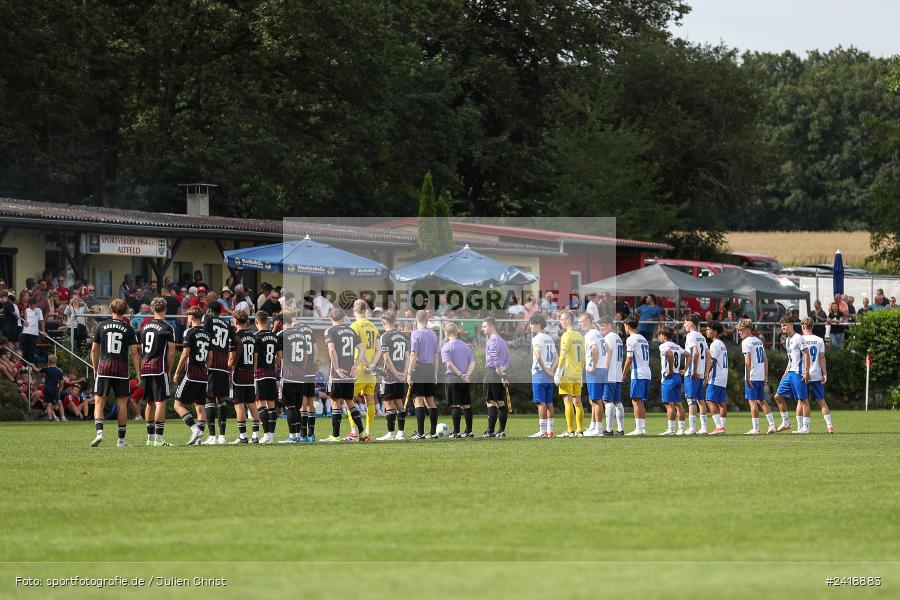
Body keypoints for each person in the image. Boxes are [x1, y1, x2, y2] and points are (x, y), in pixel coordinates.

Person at [89, 299, 141, 447]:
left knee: (99, 402)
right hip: (121, 370)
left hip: (104, 368)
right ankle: (121, 440)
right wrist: (137, 373)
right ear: (124, 311)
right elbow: (135, 353)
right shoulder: (128, 328)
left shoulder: (101, 326)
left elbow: (94, 350)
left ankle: (99, 433)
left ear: (111, 310)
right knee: (122, 405)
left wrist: (95, 367)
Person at [322, 309, 367, 442]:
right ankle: (362, 432)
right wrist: (355, 365)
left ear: (331, 317)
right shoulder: (351, 331)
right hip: (350, 373)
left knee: (335, 402)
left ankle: (335, 436)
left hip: (338, 373)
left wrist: (336, 367)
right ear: (343, 318)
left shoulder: (330, 331)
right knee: (350, 402)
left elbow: (331, 349)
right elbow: (362, 349)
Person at [139, 298, 177, 446]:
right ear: (165, 309)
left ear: (152, 309)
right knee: (160, 401)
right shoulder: (168, 327)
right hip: (158, 367)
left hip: (145, 365)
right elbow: (172, 352)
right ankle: (159, 439)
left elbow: (142, 348)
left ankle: (149, 438)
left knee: (149, 402)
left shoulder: (145, 326)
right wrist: (168, 369)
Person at [171, 307, 210, 446]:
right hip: (203, 375)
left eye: (188, 316)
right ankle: (198, 440)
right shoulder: (206, 333)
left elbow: (185, 354)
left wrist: (176, 372)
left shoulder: (190, 332)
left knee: (177, 404)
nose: (187, 318)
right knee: (200, 407)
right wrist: (206, 369)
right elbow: (209, 356)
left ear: (193, 317)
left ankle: (195, 430)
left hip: (192, 374)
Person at [278, 313, 318, 443]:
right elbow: (307, 355)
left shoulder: (282, 334)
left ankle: (293, 437)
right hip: (301, 375)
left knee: (290, 406)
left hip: (289, 374)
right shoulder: (302, 336)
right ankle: (302, 436)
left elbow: (278, 354)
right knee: (298, 406)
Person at [200, 301, 233, 445]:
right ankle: (222, 436)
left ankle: (212, 436)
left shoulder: (207, 318)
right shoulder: (226, 323)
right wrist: (232, 360)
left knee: (209, 398)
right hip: (223, 364)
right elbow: (238, 341)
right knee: (222, 400)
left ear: (208, 310)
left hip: (211, 363)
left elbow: (204, 337)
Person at [737, 319, 776, 435]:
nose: (739, 333)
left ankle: (756, 428)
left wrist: (747, 377)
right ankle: (772, 425)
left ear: (746, 329)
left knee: (752, 402)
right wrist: (765, 375)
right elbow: (765, 359)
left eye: (740, 330)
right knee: (762, 401)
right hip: (760, 375)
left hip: (752, 375)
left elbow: (747, 361)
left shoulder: (746, 342)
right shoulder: (758, 341)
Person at [228, 310, 261, 443]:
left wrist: (230, 367)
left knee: (239, 405)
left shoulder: (235, 337)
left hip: (239, 372)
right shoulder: (253, 337)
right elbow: (255, 357)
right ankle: (255, 436)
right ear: (247, 321)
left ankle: (242, 437)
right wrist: (252, 371)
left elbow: (231, 359)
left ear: (235, 321)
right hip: (249, 374)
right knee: (252, 404)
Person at [375, 310, 409, 441]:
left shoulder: (385, 337)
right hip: (401, 374)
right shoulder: (403, 336)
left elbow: (387, 359)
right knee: (399, 403)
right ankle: (401, 432)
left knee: (388, 404)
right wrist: (404, 373)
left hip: (389, 375)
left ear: (384, 322)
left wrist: (394, 373)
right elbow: (407, 357)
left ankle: (391, 433)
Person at [772, 315, 810, 433]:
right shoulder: (788, 340)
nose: (783, 327)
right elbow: (791, 358)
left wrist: (806, 372)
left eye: (785, 325)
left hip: (798, 373)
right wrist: (785, 372)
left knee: (803, 400)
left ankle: (806, 428)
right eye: (781, 325)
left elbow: (806, 354)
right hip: (790, 373)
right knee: (778, 396)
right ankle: (786, 422)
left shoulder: (798, 337)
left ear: (791, 325)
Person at [407, 310, 440, 440]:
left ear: (416, 319)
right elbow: (436, 355)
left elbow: (413, 354)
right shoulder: (433, 334)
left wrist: (409, 371)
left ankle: (420, 433)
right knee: (430, 400)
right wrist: (436, 373)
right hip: (430, 368)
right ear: (427, 319)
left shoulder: (415, 334)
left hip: (419, 368)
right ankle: (432, 432)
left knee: (418, 400)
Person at [350, 299, 380, 440]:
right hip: (371, 372)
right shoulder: (374, 327)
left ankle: (354, 432)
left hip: (360, 369)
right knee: (370, 401)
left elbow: (359, 349)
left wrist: (367, 364)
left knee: (348, 399)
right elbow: (379, 349)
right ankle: (368, 433)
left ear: (354, 311)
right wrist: (373, 364)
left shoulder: (355, 326)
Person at [441, 322, 476, 438]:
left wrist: (460, 374)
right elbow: (472, 362)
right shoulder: (466, 346)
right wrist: (467, 375)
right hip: (465, 378)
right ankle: (469, 431)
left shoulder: (446, 346)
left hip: (453, 377)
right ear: (456, 332)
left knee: (455, 405)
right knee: (466, 405)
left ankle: (456, 432)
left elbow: (449, 364)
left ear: (446, 333)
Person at [800, 317, 834, 434]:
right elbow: (821, 357)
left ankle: (802, 426)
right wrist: (824, 372)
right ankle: (829, 426)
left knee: (802, 401)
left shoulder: (800, 339)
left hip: (803, 374)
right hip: (816, 373)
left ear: (803, 326)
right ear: (812, 326)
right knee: (821, 401)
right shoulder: (819, 340)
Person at [554, 311, 584, 437]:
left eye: (561, 319)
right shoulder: (580, 336)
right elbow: (583, 357)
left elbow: (563, 355)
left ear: (568, 320)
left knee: (568, 400)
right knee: (578, 401)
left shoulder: (566, 335)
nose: (560, 321)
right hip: (577, 373)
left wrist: (558, 371)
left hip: (567, 373)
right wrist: (581, 373)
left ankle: (570, 430)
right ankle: (580, 430)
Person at [527, 314, 558, 438]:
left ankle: (543, 431)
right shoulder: (549, 338)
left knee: (541, 402)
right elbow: (557, 356)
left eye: (531, 324)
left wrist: (545, 368)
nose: (530, 326)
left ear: (538, 324)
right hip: (548, 375)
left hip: (539, 373)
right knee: (549, 402)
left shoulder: (536, 339)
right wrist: (551, 369)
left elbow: (538, 356)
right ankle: (550, 431)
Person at [253, 310, 281, 444]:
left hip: (260, 374)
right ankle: (271, 435)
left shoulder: (256, 337)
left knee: (260, 403)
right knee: (271, 405)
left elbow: (256, 357)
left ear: (256, 321)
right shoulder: (274, 337)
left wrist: (253, 372)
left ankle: (266, 434)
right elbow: (279, 356)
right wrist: (273, 366)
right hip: (271, 374)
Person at [481, 316, 510, 438]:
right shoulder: (502, 341)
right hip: (500, 372)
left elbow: (494, 356)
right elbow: (508, 359)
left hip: (492, 372)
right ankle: (501, 430)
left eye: (484, 326)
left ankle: (490, 431)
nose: (482, 329)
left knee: (490, 401)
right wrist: (503, 370)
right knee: (500, 402)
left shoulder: (492, 341)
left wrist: (498, 368)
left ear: (491, 326)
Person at [622, 317, 651, 436]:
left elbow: (629, 358)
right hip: (646, 372)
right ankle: (642, 428)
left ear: (627, 326)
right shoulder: (643, 338)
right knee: (640, 401)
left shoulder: (631, 339)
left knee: (635, 400)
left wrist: (622, 373)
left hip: (638, 373)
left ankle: (639, 429)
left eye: (624, 326)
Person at [682, 314, 709, 435]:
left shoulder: (690, 336)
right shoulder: (702, 337)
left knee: (690, 400)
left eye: (685, 322)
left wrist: (693, 370)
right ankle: (704, 428)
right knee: (701, 401)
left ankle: (692, 428)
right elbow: (709, 356)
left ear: (691, 323)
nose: (684, 324)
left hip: (693, 374)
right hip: (701, 373)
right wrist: (706, 373)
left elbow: (696, 353)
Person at [580, 311, 606, 436]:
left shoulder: (590, 334)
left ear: (589, 321)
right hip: (602, 368)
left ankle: (598, 429)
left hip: (595, 369)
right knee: (593, 399)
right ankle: (593, 426)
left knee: (596, 400)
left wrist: (593, 366)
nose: (580, 323)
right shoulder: (597, 332)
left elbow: (595, 350)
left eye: (582, 321)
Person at [656, 327, 685, 436]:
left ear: (663, 335)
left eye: (659, 335)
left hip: (669, 377)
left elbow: (669, 354)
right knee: (678, 404)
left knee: (669, 404)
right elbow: (687, 354)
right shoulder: (676, 346)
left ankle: (671, 429)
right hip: (678, 376)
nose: (659, 337)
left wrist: (671, 369)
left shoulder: (663, 345)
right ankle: (681, 429)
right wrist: (685, 369)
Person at [599, 316, 625, 436]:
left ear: (610, 325)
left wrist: (605, 369)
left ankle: (609, 429)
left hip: (609, 374)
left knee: (607, 400)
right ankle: (620, 429)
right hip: (617, 373)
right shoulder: (618, 337)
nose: (601, 327)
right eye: (600, 325)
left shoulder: (608, 337)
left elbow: (608, 353)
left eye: (604, 325)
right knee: (617, 402)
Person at [703, 321, 729, 435]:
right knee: (721, 402)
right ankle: (722, 426)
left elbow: (712, 361)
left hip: (716, 377)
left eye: (709, 330)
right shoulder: (722, 344)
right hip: (723, 376)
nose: (707, 331)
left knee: (709, 400)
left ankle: (718, 427)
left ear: (715, 331)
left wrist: (706, 375)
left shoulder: (715, 344)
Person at [38, 355, 66, 422]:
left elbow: (37, 370)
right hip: (55, 389)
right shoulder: (59, 370)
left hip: (47, 389)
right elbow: (62, 380)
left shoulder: (47, 369)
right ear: (56, 361)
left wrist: (32, 365)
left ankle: (50, 418)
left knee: (50, 404)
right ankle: (62, 417)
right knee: (57, 403)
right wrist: (60, 388)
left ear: (48, 361)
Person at [20, 297, 44, 365]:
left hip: (33, 333)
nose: (30, 306)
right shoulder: (27, 310)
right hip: (25, 332)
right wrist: (24, 322)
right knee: (25, 350)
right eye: (29, 304)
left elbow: (41, 321)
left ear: (35, 304)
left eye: (32, 304)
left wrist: (43, 331)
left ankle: (30, 366)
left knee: (31, 351)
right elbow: (25, 320)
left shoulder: (39, 310)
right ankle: (24, 366)